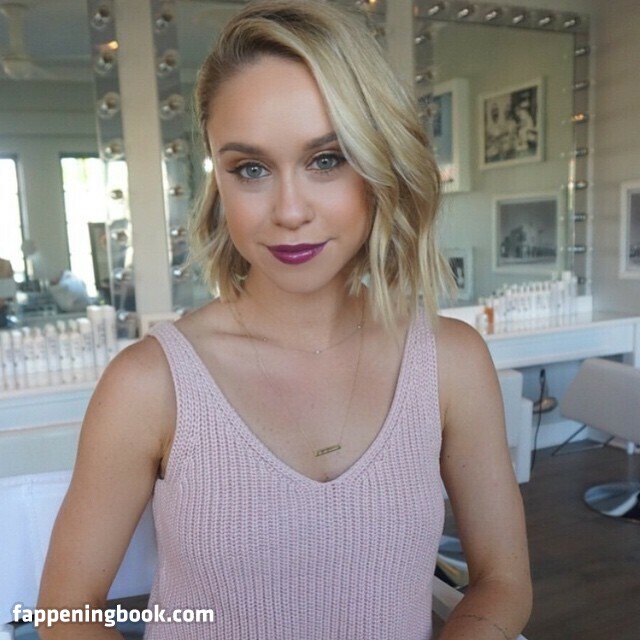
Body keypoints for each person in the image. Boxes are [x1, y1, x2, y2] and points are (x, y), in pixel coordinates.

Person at [38, 1, 532, 638]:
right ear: (219, 181)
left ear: (380, 163)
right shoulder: (148, 385)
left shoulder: (451, 362)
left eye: (327, 159)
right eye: (251, 169)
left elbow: (503, 580)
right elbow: (63, 611)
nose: (290, 211)